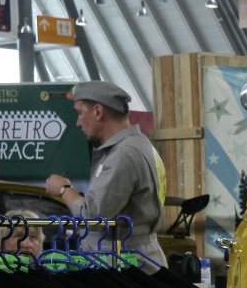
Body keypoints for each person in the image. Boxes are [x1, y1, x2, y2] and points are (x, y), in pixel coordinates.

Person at [44, 80, 165, 269]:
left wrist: (64, 189)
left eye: (80, 113)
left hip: (123, 262)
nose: (77, 122)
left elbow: (93, 218)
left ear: (98, 111)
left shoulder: (123, 154)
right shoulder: (140, 145)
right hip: (134, 257)